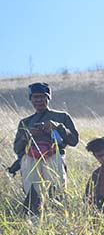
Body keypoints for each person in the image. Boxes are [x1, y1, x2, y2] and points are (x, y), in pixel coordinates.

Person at [13, 82, 79, 214]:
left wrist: (58, 127)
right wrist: (28, 135)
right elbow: (17, 148)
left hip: (54, 156)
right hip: (30, 158)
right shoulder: (25, 122)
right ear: (30, 99)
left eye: (42, 97)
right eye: (35, 97)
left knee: (57, 191)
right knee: (33, 194)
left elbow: (74, 140)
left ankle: (58, 216)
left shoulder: (62, 117)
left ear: (48, 98)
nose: (38, 100)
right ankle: (33, 219)